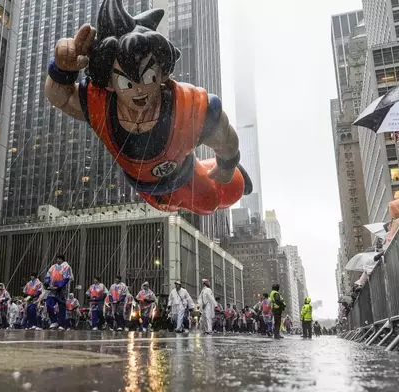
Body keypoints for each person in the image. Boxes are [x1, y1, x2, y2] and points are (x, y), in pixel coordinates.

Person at [44, 0, 253, 216]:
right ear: (109, 83)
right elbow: (61, 98)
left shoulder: (187, 106)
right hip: (147, 187)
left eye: (148, 76)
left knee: (213, 199)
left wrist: (228, 164)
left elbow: (225, 135)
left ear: (162, 73)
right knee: (176, 204)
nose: (139, 90)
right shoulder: (99, 104)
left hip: (186, 173)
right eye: (126, 82)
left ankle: (235, 177)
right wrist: (61, 69)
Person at [44, 254, 73, 331]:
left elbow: (66, 279)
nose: (58, 260)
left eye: (60, 259)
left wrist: (59, 286)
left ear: (63, 259)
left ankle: (62, 324)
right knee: (49, 305)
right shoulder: (53, 267)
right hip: (52, 289)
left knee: (62, 308)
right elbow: (47, 275)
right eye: (57, 259)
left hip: (62, 290)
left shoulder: (66, 267)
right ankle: (54, 321)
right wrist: (47, 282)